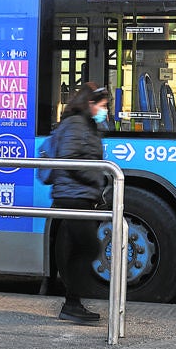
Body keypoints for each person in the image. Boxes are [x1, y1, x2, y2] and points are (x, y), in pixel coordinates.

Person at [48, 82, 111, 324]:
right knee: (88, 247)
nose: (104, 110)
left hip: (78, 195)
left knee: (75, 248)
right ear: (90, 104)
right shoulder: (76, 124)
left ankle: (72, 303)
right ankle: (71, 302)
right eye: (102, 105)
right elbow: (69, 158)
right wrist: (96, 175)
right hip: (73, 196)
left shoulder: (85, 124)